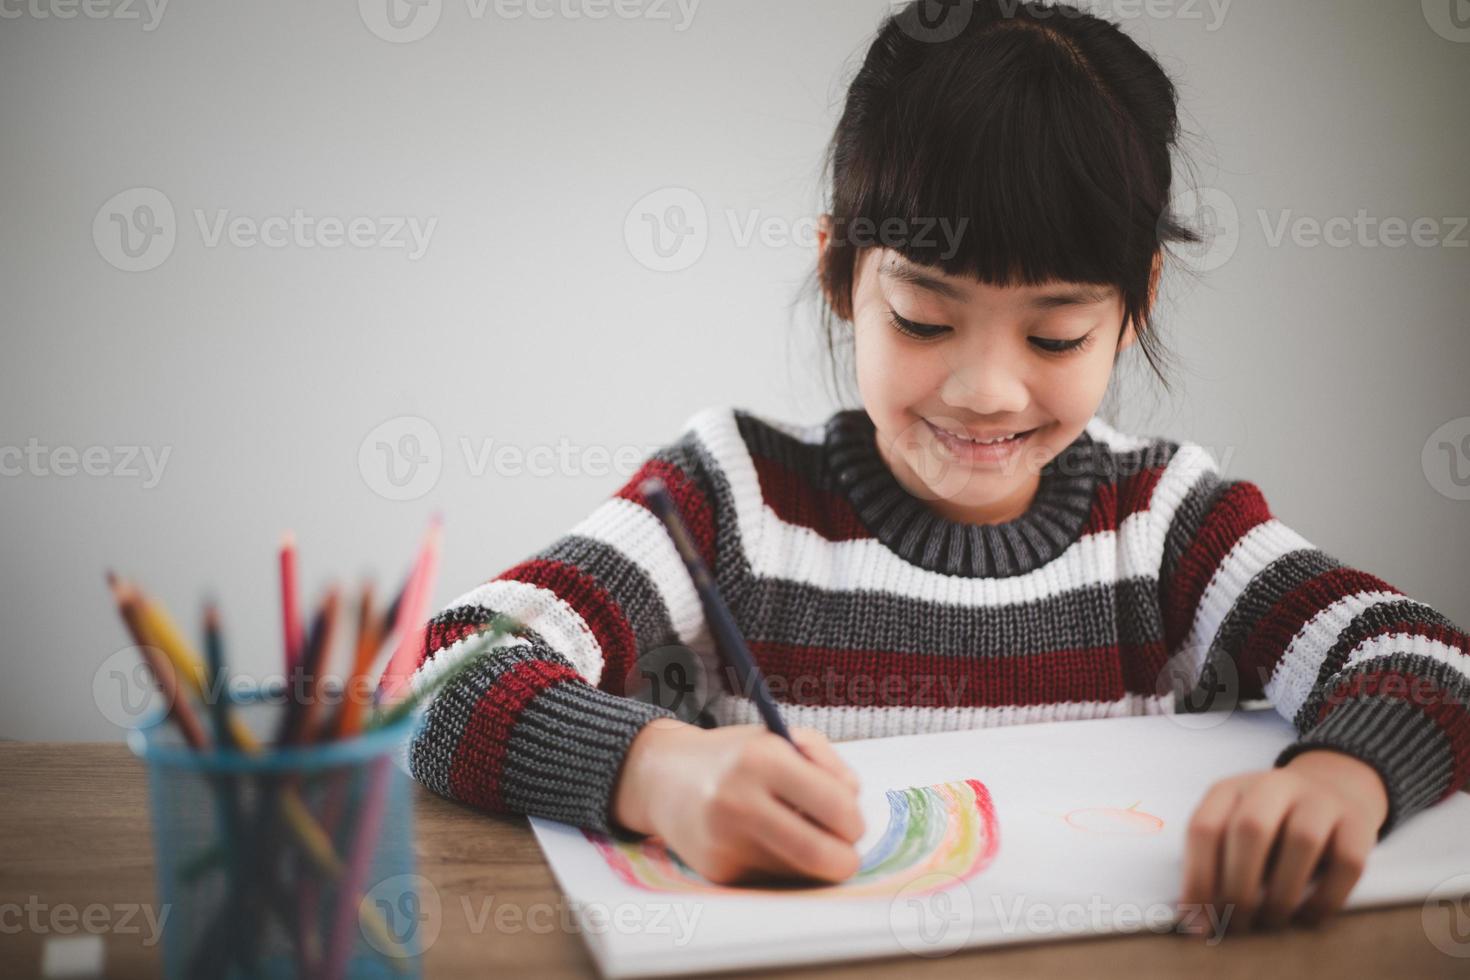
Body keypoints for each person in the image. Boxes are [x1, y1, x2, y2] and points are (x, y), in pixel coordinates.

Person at [404, 0, 1469, 937]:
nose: (985, 390)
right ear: (838, 272)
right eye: (923, 317)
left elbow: (1428, 655)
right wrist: (658, 772)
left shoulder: (1166, 519)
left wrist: (1347, 772)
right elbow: (444, 669)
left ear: (1136, 301)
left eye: (1054, 336)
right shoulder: (733, 497)